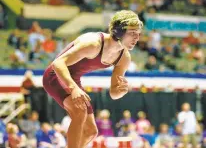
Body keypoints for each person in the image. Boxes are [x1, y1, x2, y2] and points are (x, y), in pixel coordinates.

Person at [42, 10, 143, 148]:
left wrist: (122, 90)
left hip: (74, 80)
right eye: (132, 34)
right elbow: (58, 63)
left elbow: (114, 94)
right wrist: (73, 88)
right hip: (55, 75)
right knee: (80, 112)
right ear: (118, 32)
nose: (137, 38)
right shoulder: (93, 43)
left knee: (90, 131)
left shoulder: (124, 57)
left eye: (138, 34)